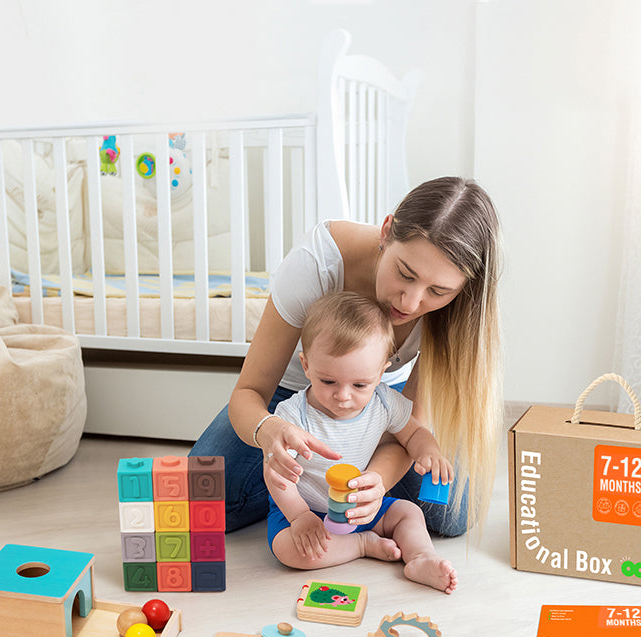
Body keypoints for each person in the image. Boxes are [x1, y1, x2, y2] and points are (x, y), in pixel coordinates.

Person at [190, 176, 502, 540]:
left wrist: (377, 483)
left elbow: (410, 426)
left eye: (437, 291)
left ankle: (325, 485)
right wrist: (269, 431)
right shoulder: (317, 263)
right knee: (196, 503)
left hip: (382, 398)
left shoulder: (457, 312)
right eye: (404, 273)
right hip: (291, 396)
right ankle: (299, 492)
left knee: (453, 514)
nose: (410, 303)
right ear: (386, 231)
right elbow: (249, 392)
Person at [267, 291, 457, 594]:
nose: (343, 396)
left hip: (365, 508)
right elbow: (276, 474)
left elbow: (414, 433)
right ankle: (360, 545)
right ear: (306, 365)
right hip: (309, 511)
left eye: (359, 385)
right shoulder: (293, 415)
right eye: (328, 381)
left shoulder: (384, 401)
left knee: (410, 513)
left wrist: (429, 451)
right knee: (287, 550)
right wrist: (299, 516)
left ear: (381, 373)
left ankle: (421, 558)